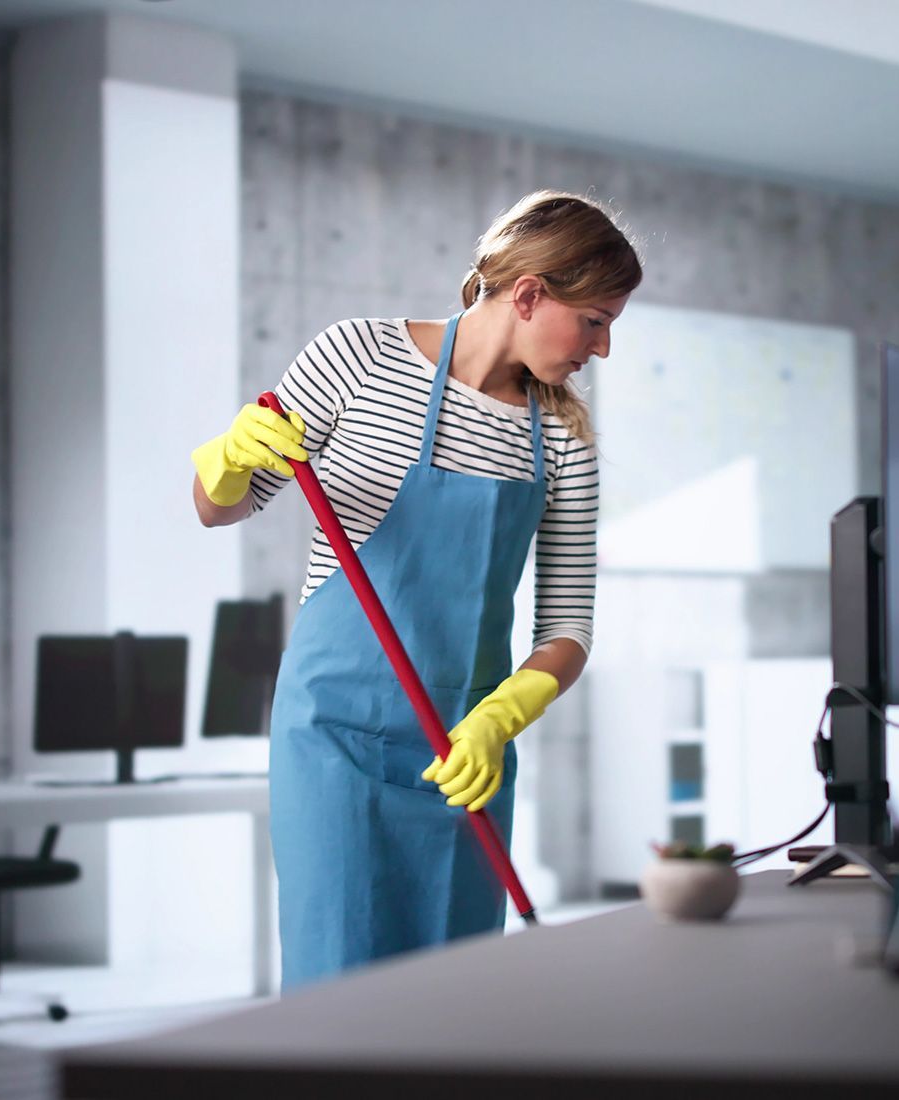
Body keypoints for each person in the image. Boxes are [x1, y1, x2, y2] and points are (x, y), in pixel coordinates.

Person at [189, 191, 640, 990]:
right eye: (596, 320)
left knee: (449, 996)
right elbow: (220, 508)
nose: (602, 349)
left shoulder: (565, 439)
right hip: (334, 734)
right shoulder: (358, 356)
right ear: (530, 294)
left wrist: (502, 718)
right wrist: (228, 457)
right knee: (338, 988)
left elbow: (568, 625)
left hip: (462, 752)